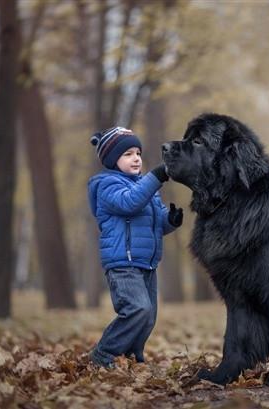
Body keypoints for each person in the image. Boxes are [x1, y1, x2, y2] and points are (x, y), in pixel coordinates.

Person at [87, 126, 183, 368]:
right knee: (137, 309)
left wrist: (169, 220)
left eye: (138, 153)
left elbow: (156, 222)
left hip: (146, 263)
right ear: (112, 159)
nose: (136, 158)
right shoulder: (107, 185)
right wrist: (157, 176)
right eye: (128, 154)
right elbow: (129, 203)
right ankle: (103, 354)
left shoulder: (145, 188)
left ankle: (130, 357)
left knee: (148, 317)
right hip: (122, 262)